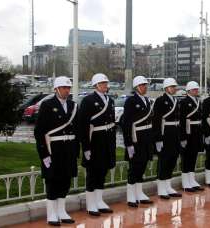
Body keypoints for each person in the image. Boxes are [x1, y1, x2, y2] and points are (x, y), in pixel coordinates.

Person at [34, 76, 79, 226]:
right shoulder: (47, 105)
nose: (67, 90)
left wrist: (76, 150)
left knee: (65, 181)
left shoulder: (73, 105)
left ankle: (61, 211)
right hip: (53, 149)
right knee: (53, 181)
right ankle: (51, 213)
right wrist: (44, 154)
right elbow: (39, 132)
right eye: (64, 88)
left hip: (69, 149)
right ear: (56, 89)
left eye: (68, 88)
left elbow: (77, 129)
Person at [78, 73, 116, 215]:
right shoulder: (88, 100)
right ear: (96, 85)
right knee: (93, 173)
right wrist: (86, 147)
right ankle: (91, 204)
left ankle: (99, 201)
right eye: (103, 83)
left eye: (106, 83)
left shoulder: (109, 100)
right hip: (95, 140)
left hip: (107, 140)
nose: (106, 85)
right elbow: (83, 125)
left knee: (103, 171)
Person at [121, 75, 154, 207]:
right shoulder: (131, 101)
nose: (144, 87)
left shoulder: (146, 100)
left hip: (146, 138)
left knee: (142, 167)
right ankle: (131, 196)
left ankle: (139, 193)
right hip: (136, 139)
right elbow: (126, 123)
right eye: (142, 85)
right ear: (136, 87)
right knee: (134, 168)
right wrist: (128, 143)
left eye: (145, 85)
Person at [153, 78, 183, 199]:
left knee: (172, 159)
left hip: (175, 133)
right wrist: (158, 139)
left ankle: (168, 185)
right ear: (166, 88)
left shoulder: (175, 100)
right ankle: (161, 188)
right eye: (172, 87)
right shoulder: (160, 101)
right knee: (164, 160)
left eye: (175, 87)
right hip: (165, 134)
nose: (174, 89)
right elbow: (156, 121)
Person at [179, 81, 205, 192]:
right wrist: (183, 137)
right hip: (188, 131)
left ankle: (191, 179)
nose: (196, 91)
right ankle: (185, 182)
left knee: (193, 156)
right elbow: (182, 120)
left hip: (196, 131)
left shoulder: (198, 101)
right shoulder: (184, 102)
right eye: (194, 89)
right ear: (188, 90)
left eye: (196, 89)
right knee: (186, 157)